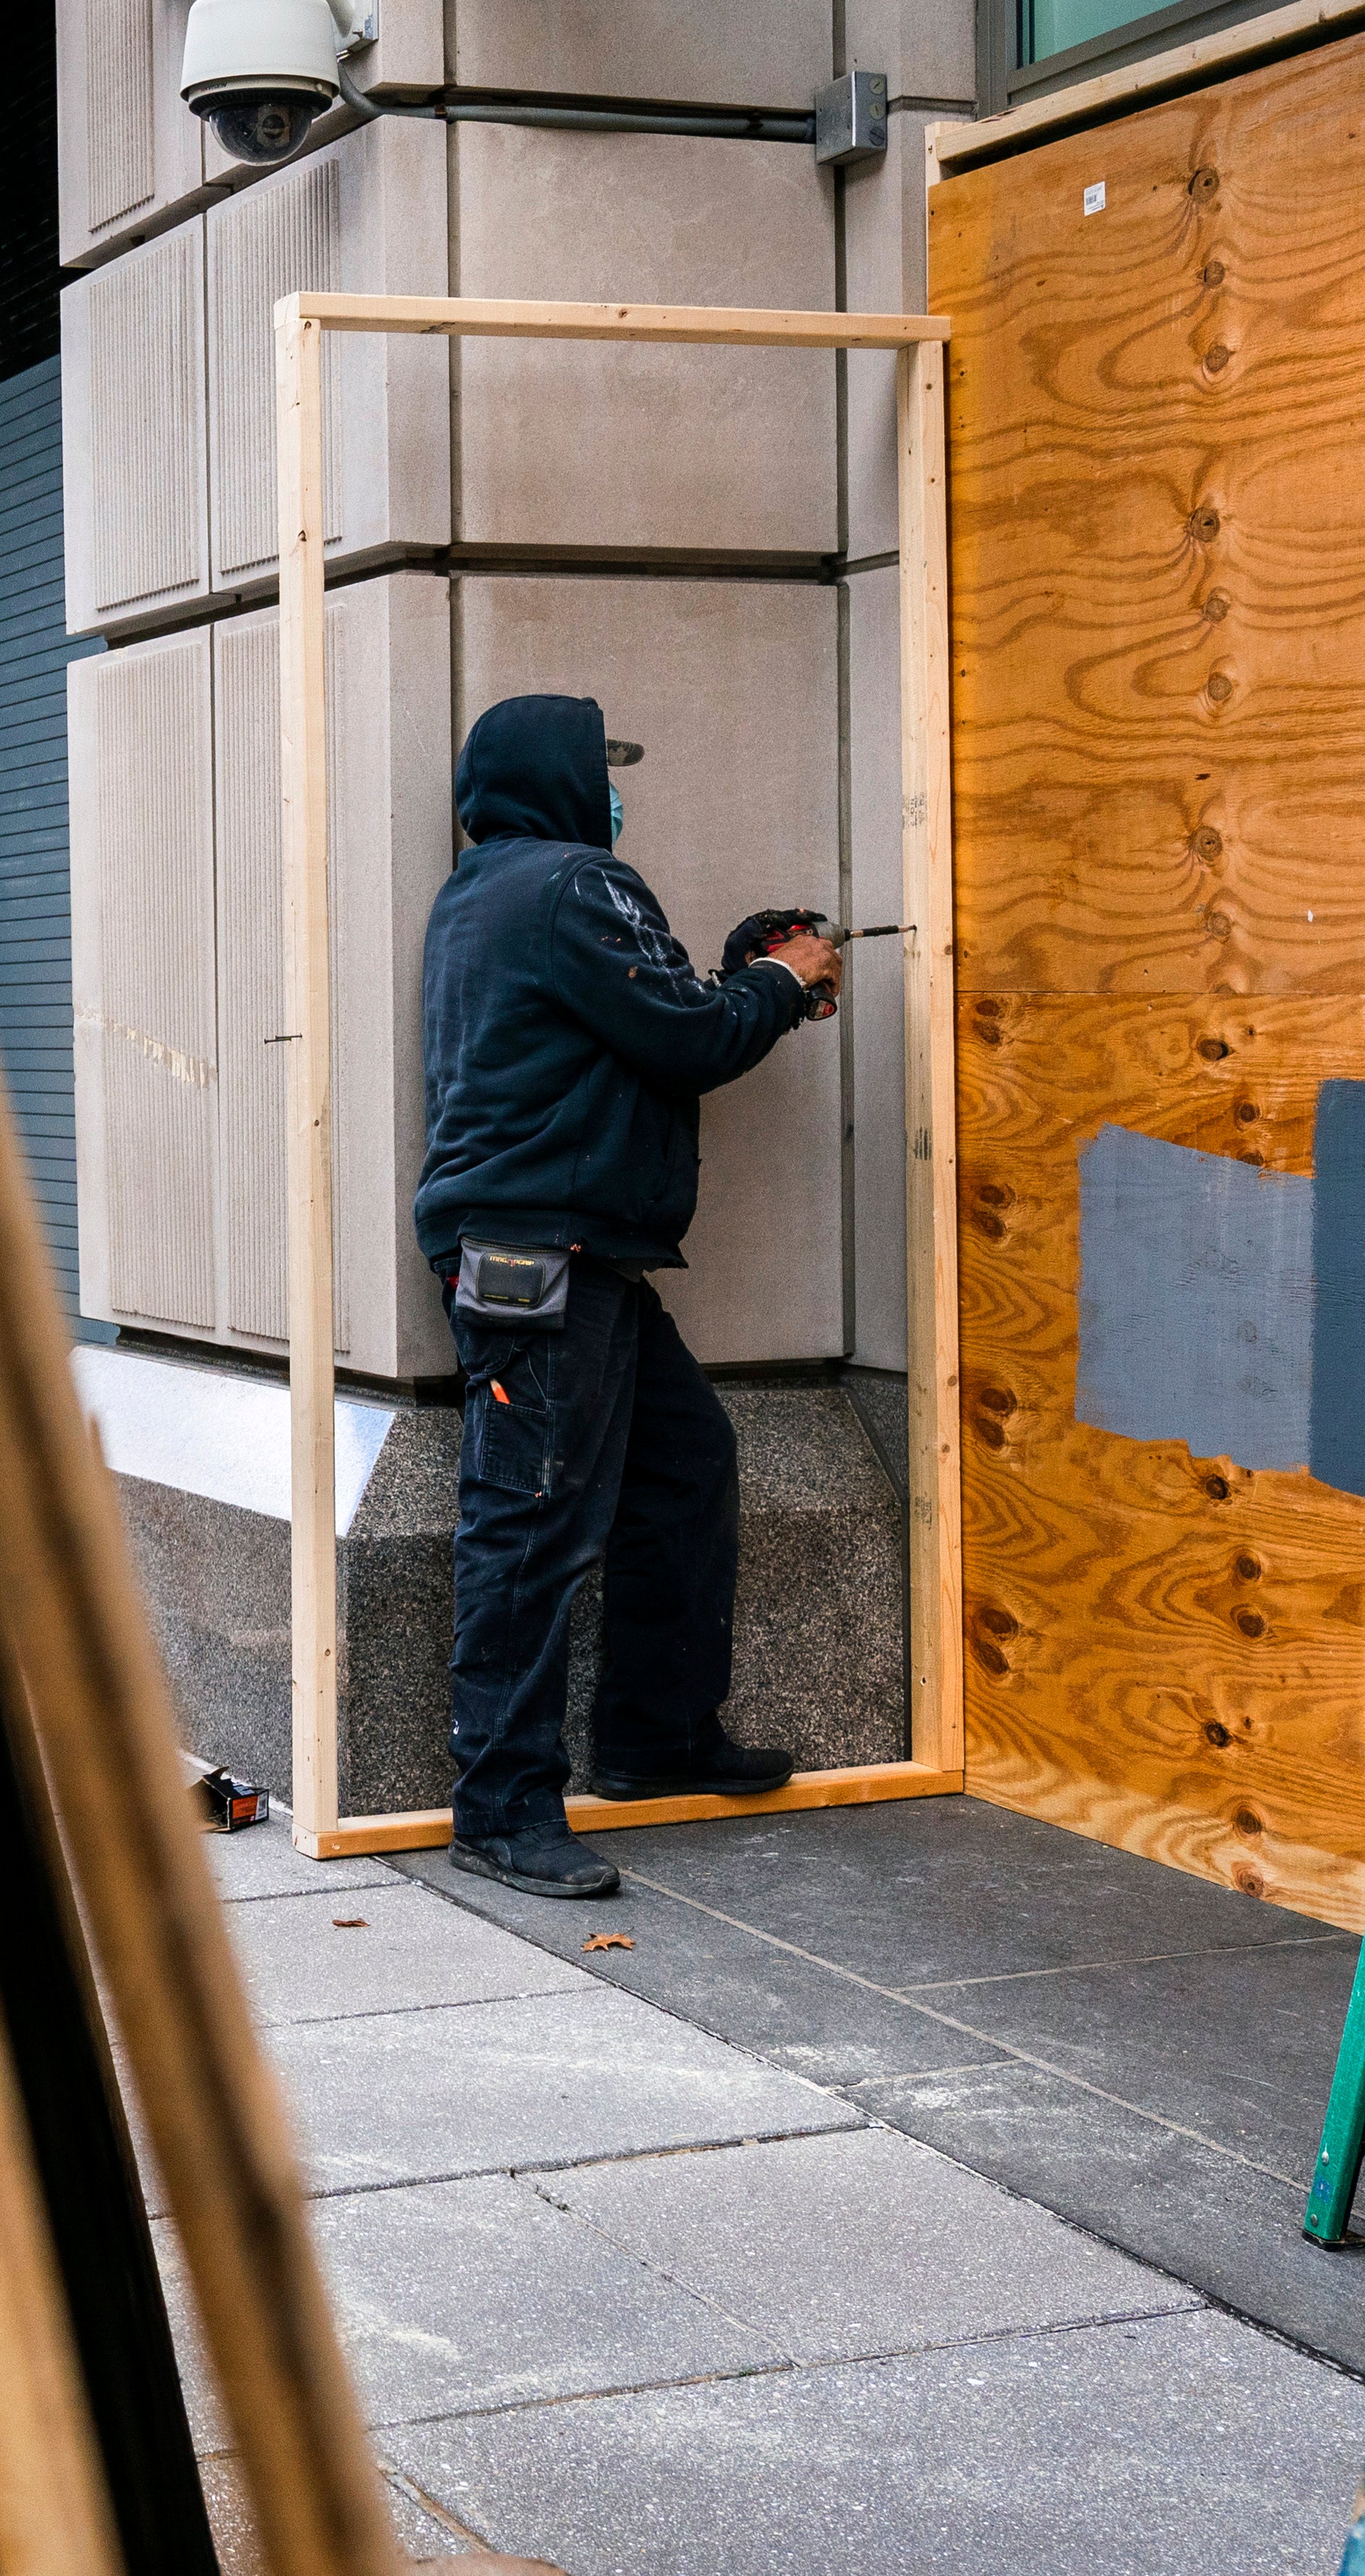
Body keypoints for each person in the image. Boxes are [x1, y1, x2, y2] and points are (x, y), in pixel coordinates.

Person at [412, 694, 841, 1901]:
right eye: (600, 771)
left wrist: (745, 978)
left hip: (568, 1248)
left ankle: (655, 1738)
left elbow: (635, 1022)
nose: (613, 793)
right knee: (531, 1521)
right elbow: (689, 1039)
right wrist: (777, 979)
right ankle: (499, 1810)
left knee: (682, 1465)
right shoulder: (573, 883)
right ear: (555, 781)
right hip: (539, 1253)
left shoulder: (490, 889)